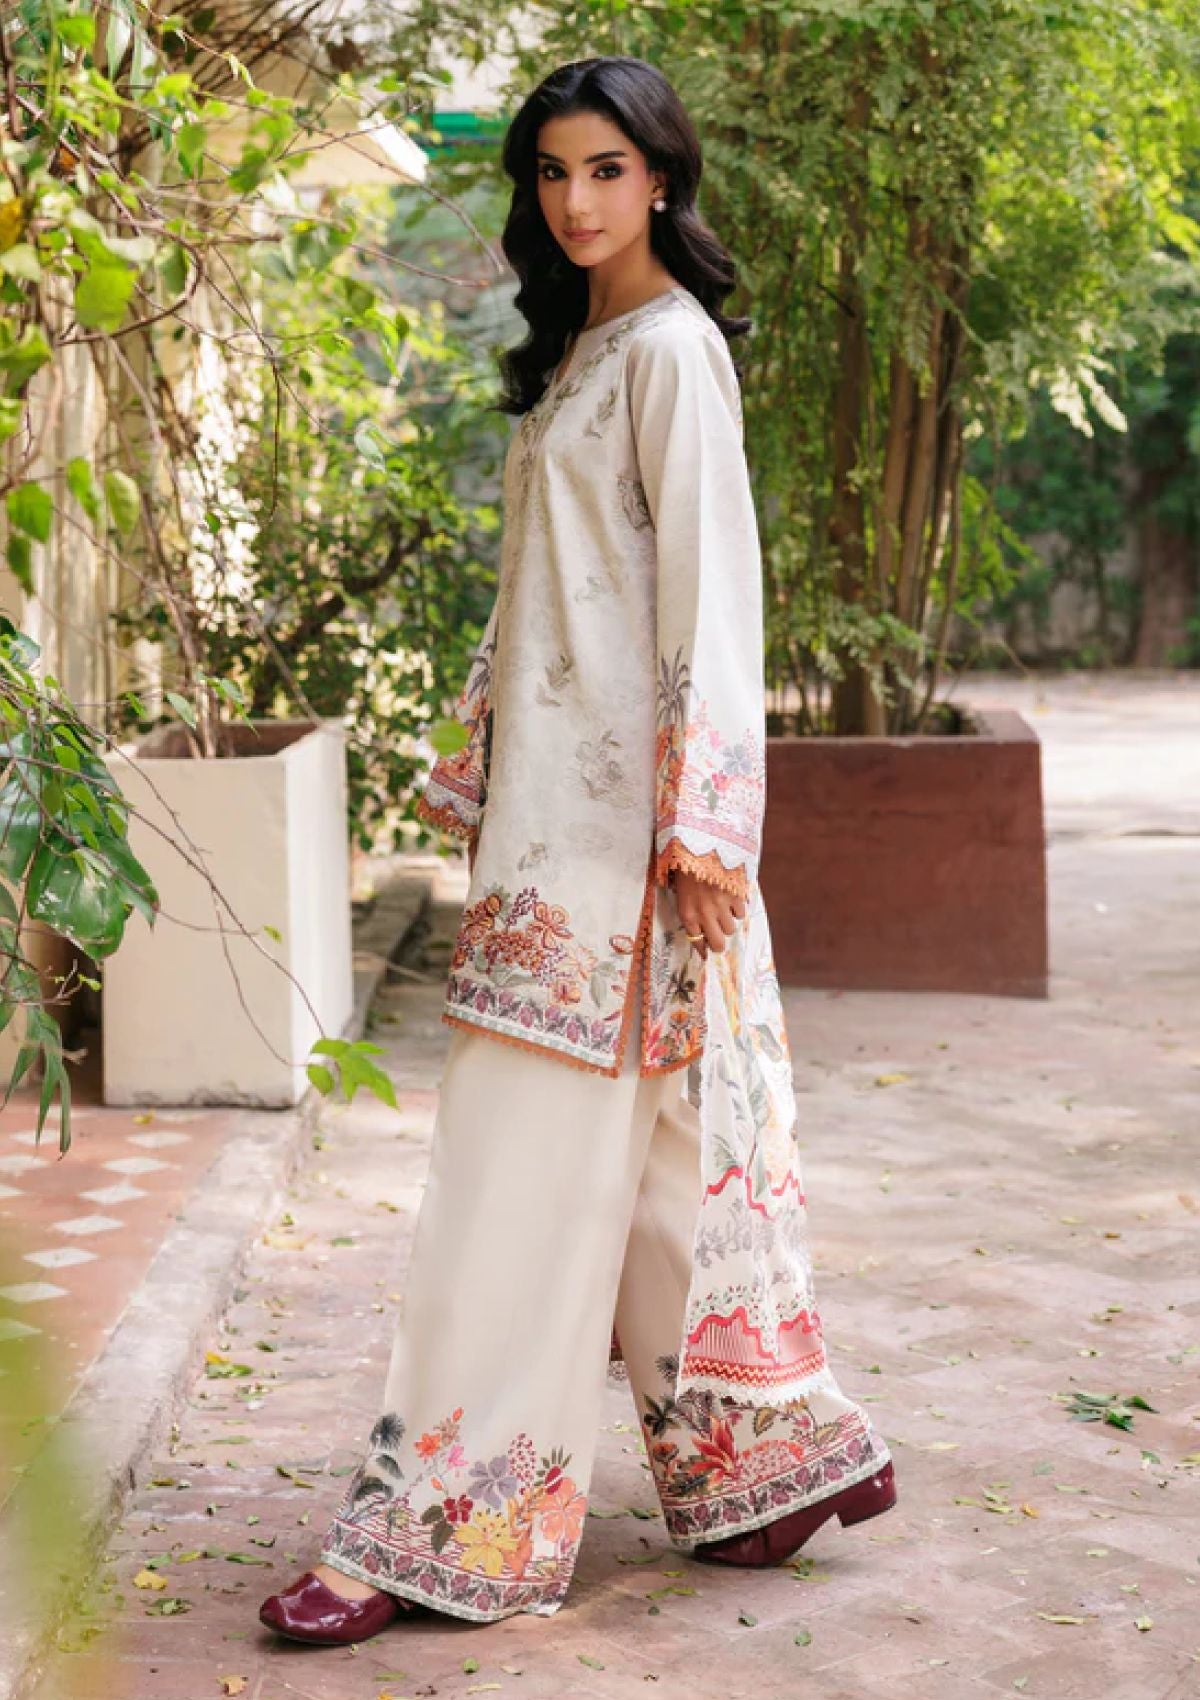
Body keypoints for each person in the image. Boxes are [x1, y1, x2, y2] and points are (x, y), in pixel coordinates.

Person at [260, 53, 894, 1645]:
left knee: (509, 1183)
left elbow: (711, 595)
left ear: (661, 179)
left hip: (625, 854)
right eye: (551, 172)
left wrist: (707, 825)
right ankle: (765, 1464)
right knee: (651, 1153)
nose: (575, 199)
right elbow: (556, 586)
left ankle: (433, 1528)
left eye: (605, 168)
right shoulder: (582, 352)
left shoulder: (673, 352)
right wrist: (482, 756)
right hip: (547, 832)